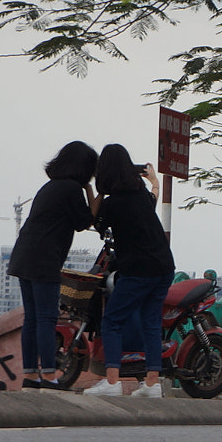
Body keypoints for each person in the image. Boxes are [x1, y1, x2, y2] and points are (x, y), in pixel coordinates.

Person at [83, 144, 176, 398]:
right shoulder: (141, 195)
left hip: (138, 270)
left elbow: (93, 220)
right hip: (164, 267)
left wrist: (96, 190)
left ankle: (112, 383)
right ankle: (152, 384)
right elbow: (154, 198)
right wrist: (154, 181)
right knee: (151, 322)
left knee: (113, 321)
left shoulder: (113, 204)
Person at [7, 141, 99, 390]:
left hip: (24, 256)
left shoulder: (51, 186)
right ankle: (49, 376)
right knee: (47, 318)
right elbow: (85, 221)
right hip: (44, 259)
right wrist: (94, 193)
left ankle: (30, 375)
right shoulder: (71, 189)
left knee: (32, 319)